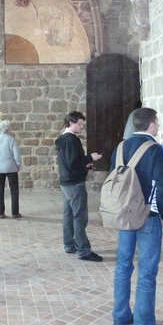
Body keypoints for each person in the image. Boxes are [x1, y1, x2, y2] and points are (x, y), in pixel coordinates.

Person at [111, 107, 163, 325]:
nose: (158, 126)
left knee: (123, 266)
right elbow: (162, 186)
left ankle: (120, 316)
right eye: (157, 122)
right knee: (147, 272)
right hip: (148, 217)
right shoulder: (155, 150)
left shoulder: (120, 147)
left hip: (124, 216)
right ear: (150, 125)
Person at [55, 111, 103, 261]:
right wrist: (90, 158)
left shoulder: (63, 139)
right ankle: (83, 250)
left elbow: (72, 162)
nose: (82, 127)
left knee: (69, 215)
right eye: (79, 124)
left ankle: (70, 245)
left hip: (67, 182)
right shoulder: (71, 140)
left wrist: (86, 165)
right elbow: (73, 162)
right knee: (80, 217)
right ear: (70, 123)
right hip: (74, 184)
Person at [0, 120, 22, 219]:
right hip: (11, 167)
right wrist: (18, 166)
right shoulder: (12, 140)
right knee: (14, 190)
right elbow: (17, 155)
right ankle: (15, 212)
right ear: (8, 129)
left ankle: (0, 212)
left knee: (0, 189)